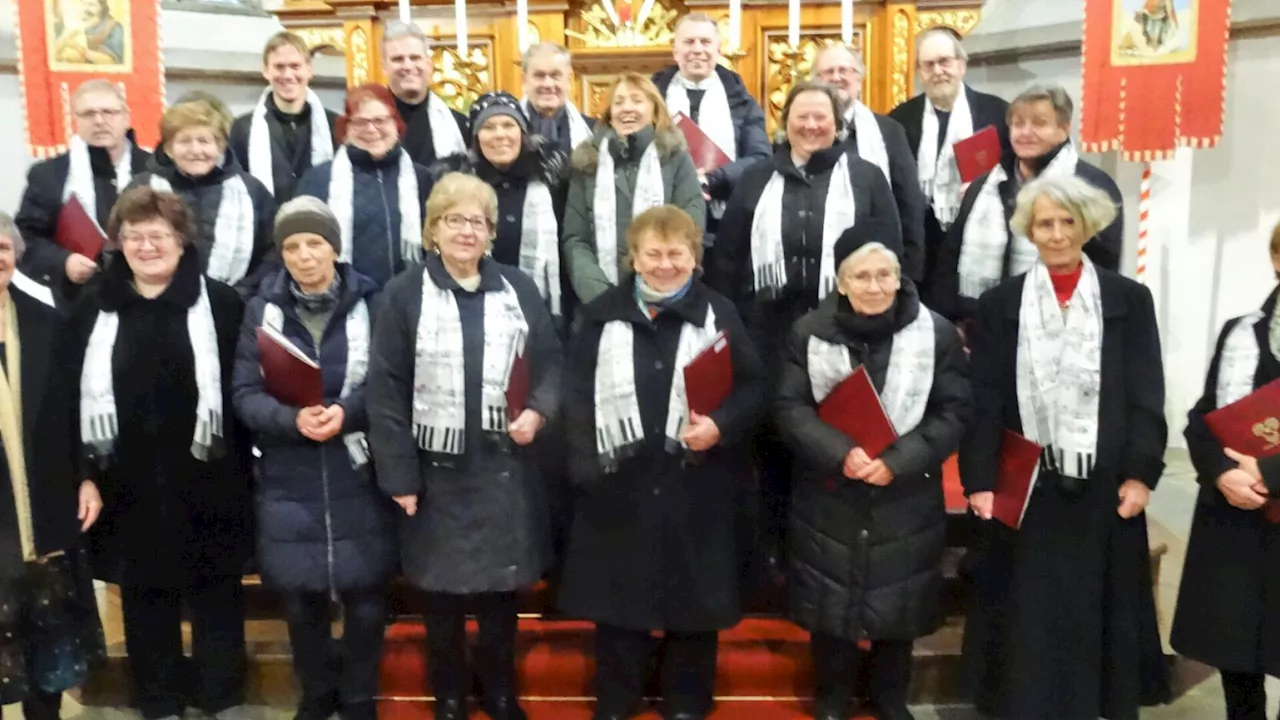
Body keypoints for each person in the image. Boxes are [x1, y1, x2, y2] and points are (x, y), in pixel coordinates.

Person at [959, 174, 1169, 720]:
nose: (1055, 234)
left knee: (1096, 603)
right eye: (1044, 223)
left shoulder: (1128, 300)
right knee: (1027, 602)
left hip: (1104, 481)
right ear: (1028, 230)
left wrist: (1141, 473)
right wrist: (979, 479)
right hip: (1026, 478)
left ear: (1088, 225)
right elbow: (983, 398)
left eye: (1067, 222)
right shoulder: (1000, 304)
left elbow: (1148, 394)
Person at [558, 205, 766, 720]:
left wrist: (720, 426)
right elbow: (576, 393)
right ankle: (619, 694)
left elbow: (755, 387)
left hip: (697, 481)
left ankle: (687, 698)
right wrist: (586, 464)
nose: (665, 264)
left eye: (677, 253)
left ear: (696, 257)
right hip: (619, 481)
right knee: (619, 602)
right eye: (653, 253)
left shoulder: (721, 313)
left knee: (693, 599)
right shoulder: (601, 314)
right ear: (634, 257)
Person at [368, 173, 563, 720]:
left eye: (477, 221)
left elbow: (551, 363)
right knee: (441, 598)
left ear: (491, 233)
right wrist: (400, 476)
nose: (466, 231)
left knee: (503, 595)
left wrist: (539, 410)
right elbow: (384, 391)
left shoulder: (518, 288)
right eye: (454, 219)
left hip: (505, 467)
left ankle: (499, 692)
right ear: (433, 228)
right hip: (437, 472)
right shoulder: (403, 293)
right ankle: (449, 695)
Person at [774, 217, 970, 720]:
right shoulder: (808, 333)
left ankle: (888, 695)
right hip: (830, 486)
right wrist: (841, 452)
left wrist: (898, 462)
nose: (876, 286)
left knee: (899, 602)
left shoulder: (937, 334)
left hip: (905, 490)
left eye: (886, 274)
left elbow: (955, 413)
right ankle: (833, 696)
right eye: (862, 276)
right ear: (840, 281)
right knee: (830, 601)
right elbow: (789, 408)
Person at [707, 81, 901, 581]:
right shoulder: (754, 179)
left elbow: (893, 253)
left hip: (844, 331)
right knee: (772, 437)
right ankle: (770, 549)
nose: (811, 125)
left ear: (838, 124)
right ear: (785, 120)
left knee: (831, 437)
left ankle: (824, 557)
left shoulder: (865, 177)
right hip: (766, 332)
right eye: (801, 116)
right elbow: (727, 258)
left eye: (822, 117)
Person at [72, 187, 252, 720]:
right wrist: (82, 474)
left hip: (211, 475)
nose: (146, 246)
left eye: (158, 235)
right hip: (126, 481)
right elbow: (64, 398)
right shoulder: (92, 309)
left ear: (181, 240)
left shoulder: (221, 303)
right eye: (133, 237)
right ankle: (159, 697)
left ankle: (221, 693)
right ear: (118, 243)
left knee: (217, 591)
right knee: (144, 595)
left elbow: (243, 392)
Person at [231, 197, 394, 720]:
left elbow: (391, 385)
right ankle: (318, 692)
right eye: (292, 246)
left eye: (314, 243)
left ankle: (360, 695)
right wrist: (292, 420)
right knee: (301, 602)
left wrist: (347, 412)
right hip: (288, 474)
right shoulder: (262, 309)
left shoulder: (375, 301)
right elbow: (244, 393)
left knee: (367, 599)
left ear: (334, 247)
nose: (304, 256)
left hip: (358, 465)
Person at [1171, 219, 1280, 720]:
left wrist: (1270, 475)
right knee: (1238, 644)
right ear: (1276, 260)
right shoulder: (1241, 331)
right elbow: (1204, 416)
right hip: (1236, 511)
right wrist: (1219, 471)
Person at [0, 213, 106, 720]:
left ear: (16, 255)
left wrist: (86, 475)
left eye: (1, 246)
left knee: (48, 648)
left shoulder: (45, 320)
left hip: (44, 505)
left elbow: (71, 409)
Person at [931, 85, 1125, 327]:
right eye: (1018, 123)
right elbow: (950, 257)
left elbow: (1105, 265)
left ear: (1064, 129)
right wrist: (950, 322)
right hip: (984, 325)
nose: (1026, 132)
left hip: (1060, 323)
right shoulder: (986, 184)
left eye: (1039, 123)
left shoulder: (1090, 185)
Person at [562, 72, 705, 306]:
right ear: (610, 114)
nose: (627, 108)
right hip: (600, 302)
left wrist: (660, 282)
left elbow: (692, 226)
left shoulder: (675, 158)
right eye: (618, 102)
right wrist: (601, 295)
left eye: (637, 100)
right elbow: (576, 239)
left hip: (666, 295)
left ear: (654, 110)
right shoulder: (587, 162)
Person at [429, 91, 570, 327]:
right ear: (475, 137)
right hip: (469, 310)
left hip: (538, 312)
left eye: (508, 125)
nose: (500, 135)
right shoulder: (453, 186)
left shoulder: (552, 182)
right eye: (489, 127)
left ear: (523, 133)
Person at [888, 28, 1010, 287]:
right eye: (928, 65)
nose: (938, 71)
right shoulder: (900, 119)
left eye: (945, 62)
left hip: (979, 236)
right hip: (923, 240)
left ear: (962, 65)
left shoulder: (997, 112)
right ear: (920, 72)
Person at [16, 79, 150, 304]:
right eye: (88, 114)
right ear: (75, 120)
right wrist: (63, 262)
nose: (99, 120)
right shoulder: (49, 174)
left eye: (108, 112)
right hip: (75, 299)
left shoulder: (154, 169)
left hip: (144, 295)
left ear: (126, 117)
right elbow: (25, 238)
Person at [652, 13, 771, 263]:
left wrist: (712, 179)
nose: (697, 50)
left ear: (718, 50)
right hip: (663, 220)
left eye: (705, 42)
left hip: (725, 224)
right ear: (675, 51)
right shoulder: (652, 98)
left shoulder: (741, 100)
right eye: (689, 42)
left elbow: (760, 158)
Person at [128, 98, 277, 296]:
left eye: (204, 141)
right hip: (155, 304)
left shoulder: (252, 191)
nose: (196, 150)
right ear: (169, 149)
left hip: (232, 307)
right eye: (185, 141)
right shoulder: (141, 188)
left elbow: (272, 254)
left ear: (220, 146)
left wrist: (241, 294)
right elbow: (119, 246)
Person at [297, 84, 434, 290]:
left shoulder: (421, 178)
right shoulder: (318, 179)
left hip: (409, 298)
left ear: (396, 125)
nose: (371, 129)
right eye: (360, 122)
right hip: (343, 299)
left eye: (380, 120)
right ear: (347, 129)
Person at [812, 43, 925, 283]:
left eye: (845, 70)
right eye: (828, 72)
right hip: (815, 261)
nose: (837, 77)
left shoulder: (889, 131)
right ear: (816, 81)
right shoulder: (804, 131)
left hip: (877, 262)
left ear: (859, 78)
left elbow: (909, 203)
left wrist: (909, 272)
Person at [229, 32, 339, 203]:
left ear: (309, 70)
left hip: (319, 224)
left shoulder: (334, 125)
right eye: (279, 67)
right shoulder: (244, 128)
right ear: (265, 70)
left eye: (295, 66)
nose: (287, 75)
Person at [381, 20, 470, 166]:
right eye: (398, 59)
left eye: (415, 58)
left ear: (429, 64)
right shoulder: (369, 124)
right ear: (384, 67)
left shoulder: (459, 124)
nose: (408, 66)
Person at [521, 43, 595, 156]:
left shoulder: (594, 131)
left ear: (569, 81)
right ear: (524, 81)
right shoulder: (504, 132)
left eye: (555, 76)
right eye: (539, 76)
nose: (548, 84)